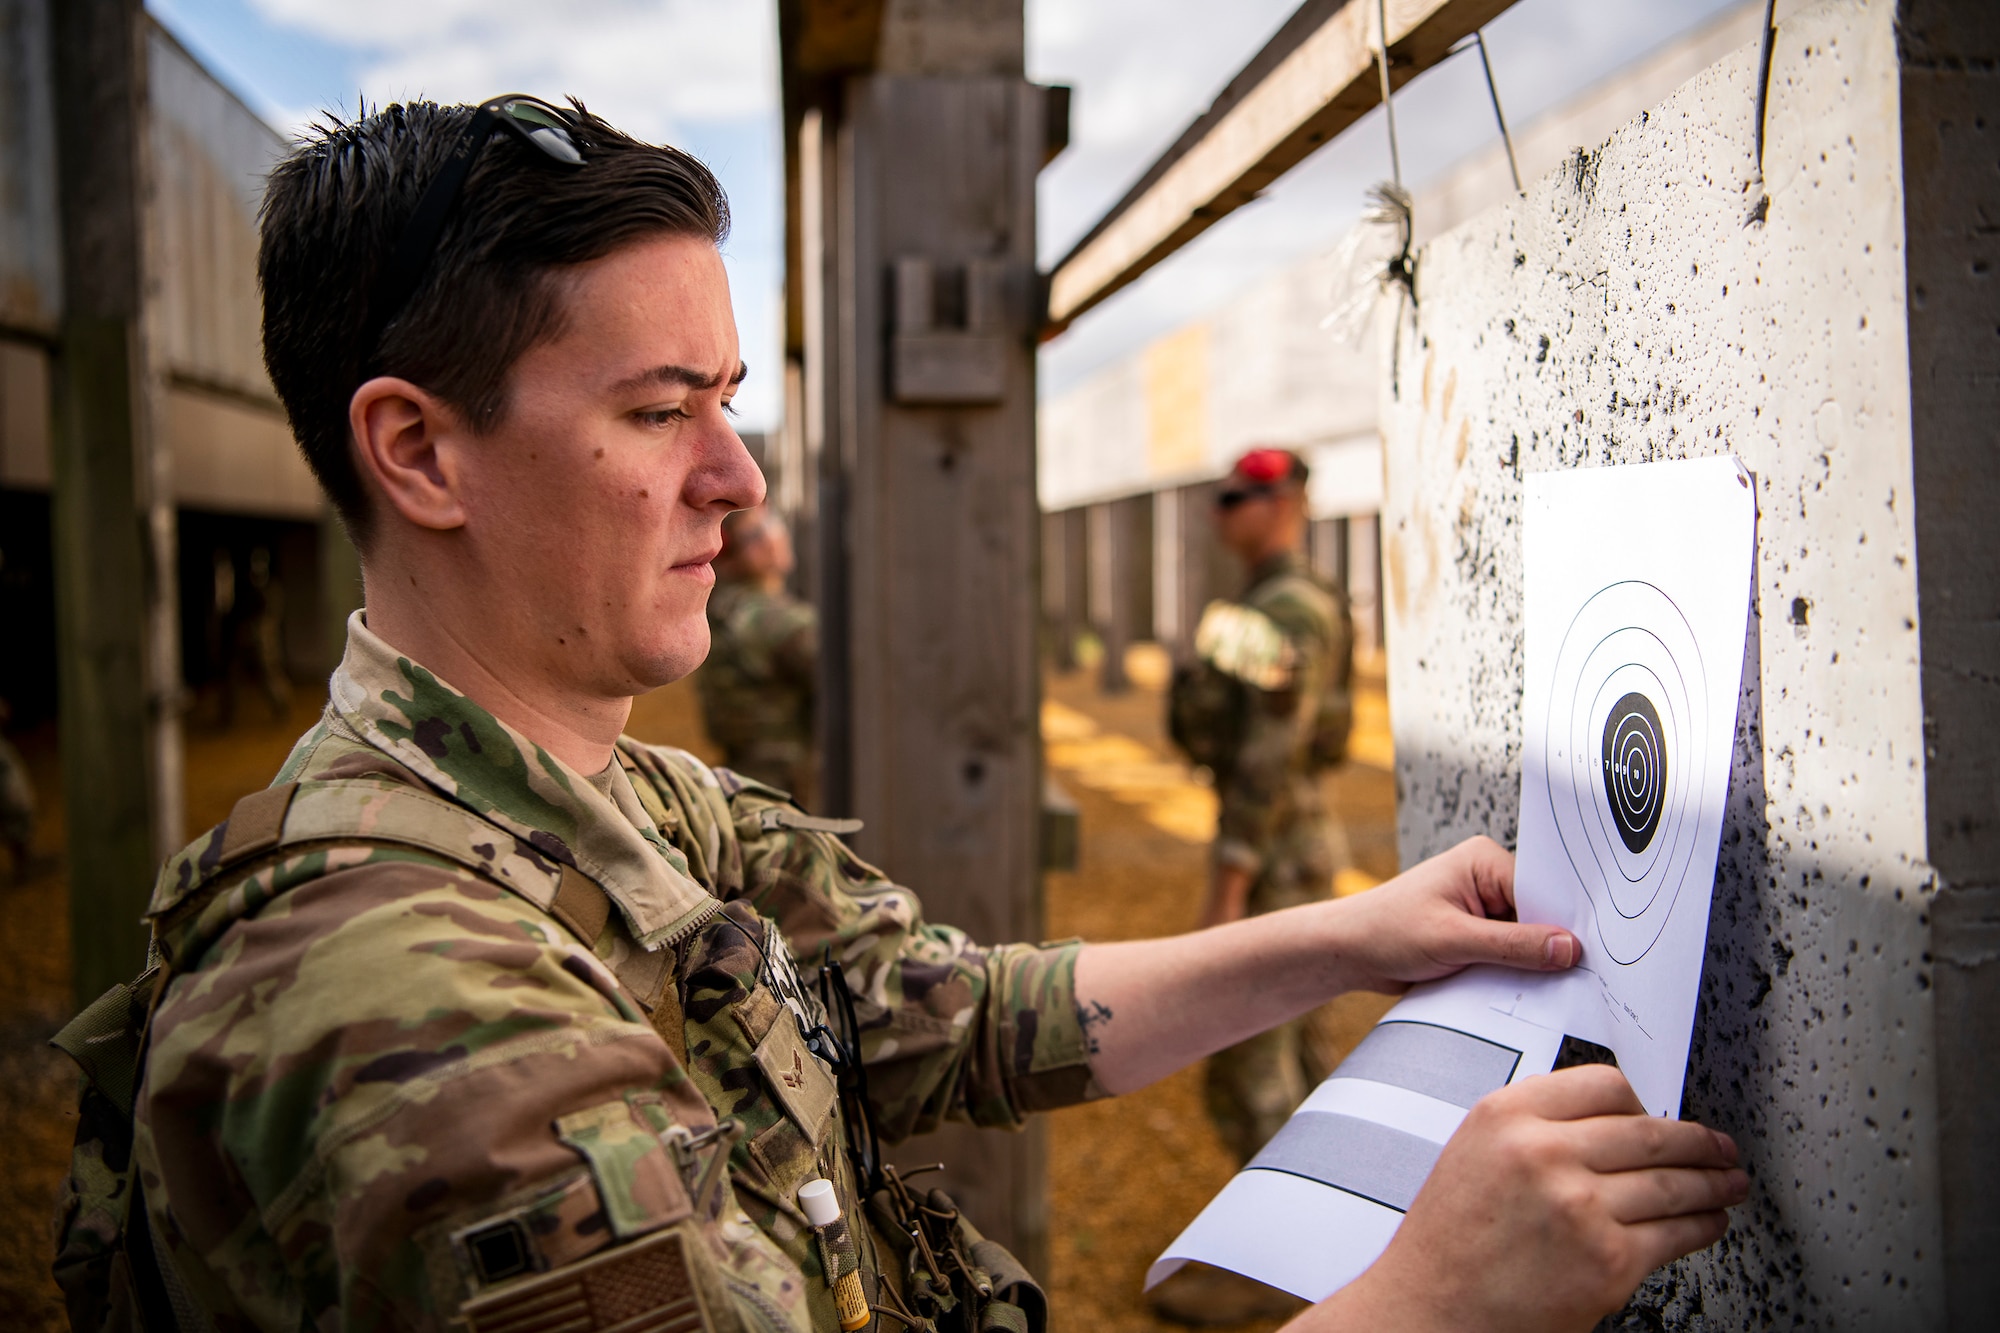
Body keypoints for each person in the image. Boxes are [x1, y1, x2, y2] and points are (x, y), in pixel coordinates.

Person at [64, 97, 1747, 1333]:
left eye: (727, 405)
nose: (735, 478)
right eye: (659, 412)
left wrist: (1341, 936)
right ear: (418, 451)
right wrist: (1429, 1301)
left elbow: (941, 1011)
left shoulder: (620, 799)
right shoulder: (407, 998)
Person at [1155, 448, 1353, 1322]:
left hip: (1274, 858)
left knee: (1252, 1064)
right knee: (1299, 1060)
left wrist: (1229, 885)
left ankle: (1280, 1270)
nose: (1223, 512)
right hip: (1285, 853)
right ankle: (1325, 1245)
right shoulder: (1277, 603)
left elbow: (1269, 760)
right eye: (1221, 499)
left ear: (1286, 504)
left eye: (1240, 498)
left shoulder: (1288, 612)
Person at [698, 504, 818, 805]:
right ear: (733, 555)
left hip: (746, 780)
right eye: (756, 533)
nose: (772, 538)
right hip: (783, 787)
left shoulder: (724, 607)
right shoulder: (768, 618)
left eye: (772, 525)